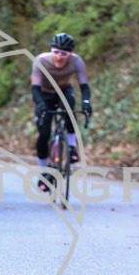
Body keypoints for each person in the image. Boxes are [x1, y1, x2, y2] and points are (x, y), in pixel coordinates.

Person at [31, 32, 92, 192]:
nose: (59, 57)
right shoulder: (41, 60)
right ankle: (43, 172)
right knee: (43, 134)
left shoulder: (77, 62)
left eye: (64, 53)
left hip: (64, 90)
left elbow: (84, 86)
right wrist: (40, 104)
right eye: (56, 52)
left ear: (70, 53)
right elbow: (35, 88)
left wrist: (86, 103)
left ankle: (71, 146)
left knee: (70, 111)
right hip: (44, 93)